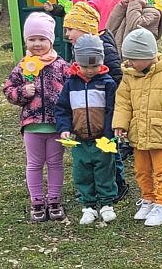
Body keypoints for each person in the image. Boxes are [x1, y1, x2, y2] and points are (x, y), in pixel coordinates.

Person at [114, 28, 162, 226]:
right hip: (139, 132)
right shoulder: (129, 77)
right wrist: (120, 124)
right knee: (141, 169)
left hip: (161, 132)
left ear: (147, 56)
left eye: (133, 58)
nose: (129, 63)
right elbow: (123, 102)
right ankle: (148, 198)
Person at [3, 13, 69, 222]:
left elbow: (70, 91)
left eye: (42, 39)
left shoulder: (61, 65)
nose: (37, 44)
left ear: (50, 39)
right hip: (32, 126)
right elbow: (8, 89)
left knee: (55, 163)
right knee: (34, 163)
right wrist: (23, 92)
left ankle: (54, 199)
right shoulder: (23, 66)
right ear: (26, 41)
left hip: (56, 125)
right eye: (32, 39)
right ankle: (37, 201)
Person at [54, 35, 119, 224]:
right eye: (85, 66)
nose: (90, 71)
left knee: (105, 169)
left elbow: (111, 110)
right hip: (80, 138)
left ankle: (107, 203)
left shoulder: (107, 84)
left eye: (94, 66)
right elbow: (62, 109)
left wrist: (109, 134)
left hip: (103, 138)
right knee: (81, 171)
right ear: (76, 63)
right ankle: (88, 205)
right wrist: (65, 128)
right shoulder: (70, 84)